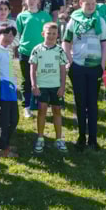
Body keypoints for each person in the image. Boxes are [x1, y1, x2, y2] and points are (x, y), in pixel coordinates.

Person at [64, 0, 106, 151]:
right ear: (80, 4)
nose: (90, 7)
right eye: (87, 4)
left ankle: (93, 138)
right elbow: (66, 42)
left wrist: (102, 65)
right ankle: (81, 137)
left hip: (94, 67)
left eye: (93, 4)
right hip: (77, 66)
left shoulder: (100, 20)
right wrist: (70, 62)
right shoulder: (73, 20)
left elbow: (105, 44)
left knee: (92, 104)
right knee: (80, 103)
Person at [29, 21, 70, 154]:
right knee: (42, 111)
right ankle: (40, 138)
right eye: (48, 33)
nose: (51, 36)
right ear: (43, 34)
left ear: (57, 35)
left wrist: (63, 86)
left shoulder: (60, 50)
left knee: (57, 111)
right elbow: (32, 69)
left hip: (56, 87)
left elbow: (63, 70)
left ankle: (59, 139)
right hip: (42, 86)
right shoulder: (37, 49)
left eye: (54, 33)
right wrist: (34, 85)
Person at [16, 0, 51, 118]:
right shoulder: (21, 16)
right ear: (26, 1)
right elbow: (19, 33)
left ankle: (42, 105)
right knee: (27, 80)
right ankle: (27, 107)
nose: (31, 1)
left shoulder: (45, 16)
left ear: (38, 1)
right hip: (25, 52)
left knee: (42, 80)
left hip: (42, 52)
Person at [0, 25, 20, 157]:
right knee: (3, 120)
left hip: (11, 89)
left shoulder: (7, 51)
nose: (9, 37)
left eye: (12, 35)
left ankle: (5, 144)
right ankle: (0, 149)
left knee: (14, 119)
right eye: (6, 34)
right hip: (2, 88)